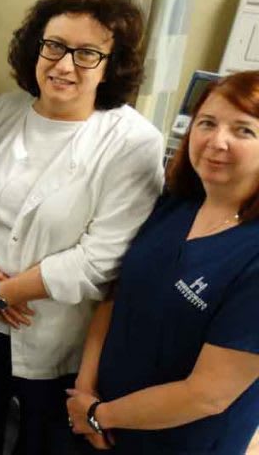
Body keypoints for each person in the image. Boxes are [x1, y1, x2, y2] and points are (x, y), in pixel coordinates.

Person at [0, 0, 166, 454]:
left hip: (56, 335)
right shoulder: (4, 111)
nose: (65, 64)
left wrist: (5, 291)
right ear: (35, 47)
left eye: (87, 53)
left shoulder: (132, 143)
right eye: (55, 46)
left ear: (112, 66)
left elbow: (101, 259)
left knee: (42, 443)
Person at [68, 70, 259, 454]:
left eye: (243, 131)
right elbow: (115, 296)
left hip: (177, 440)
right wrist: (85, 391)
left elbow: (208, 395)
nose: (216, 141)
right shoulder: (176, 204)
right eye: (207, 123)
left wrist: (100, 416)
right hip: (99, 416)